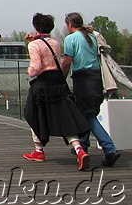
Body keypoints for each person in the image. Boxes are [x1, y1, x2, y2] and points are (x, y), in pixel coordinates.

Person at [22, 13, 91, 170]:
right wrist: (34, 39)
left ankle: (39, 151)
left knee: (33, 113)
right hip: (57, 84)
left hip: (42, 84)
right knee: (65, 118)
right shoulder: (55, 42)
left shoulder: (33, 46)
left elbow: (36, 68)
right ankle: (80, 151)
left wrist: (29, 70)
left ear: (35, 27)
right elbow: (48, 50)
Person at [61, 12, 121, 167]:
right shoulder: (92, 37)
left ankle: (109, 149)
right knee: (88, 113)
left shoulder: (70, 39)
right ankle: (83, 147)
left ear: (69, 24)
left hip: (82, 81)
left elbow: (67, 61)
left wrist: (61, 78)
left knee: (88, 116)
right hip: (96, 79)